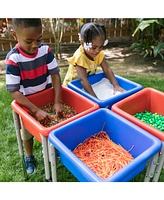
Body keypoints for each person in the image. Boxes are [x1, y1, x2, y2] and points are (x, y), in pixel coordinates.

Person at [5, 18, 63, 174]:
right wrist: (35, 110)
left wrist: (57, 101)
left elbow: (55, 75)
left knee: (51, 125)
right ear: (14, 34)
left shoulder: (45, 51)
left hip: (47, 97)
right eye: (29, 41)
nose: (35, 45)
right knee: (27, 131)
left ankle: (50, 149)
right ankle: (29, 156)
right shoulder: (13, 59)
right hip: (28, 103)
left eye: (39, 40)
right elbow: (14, 91)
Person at [63, 22, 125, 98]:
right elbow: (83, 80)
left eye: (100, 47)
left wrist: (116, 86)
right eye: (94, 47)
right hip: (71, 88)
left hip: (88, 83)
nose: (97, 51)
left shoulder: (98, 53)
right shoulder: (80, 56)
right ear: (83, 43)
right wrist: (95, 99)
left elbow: (107, 69)